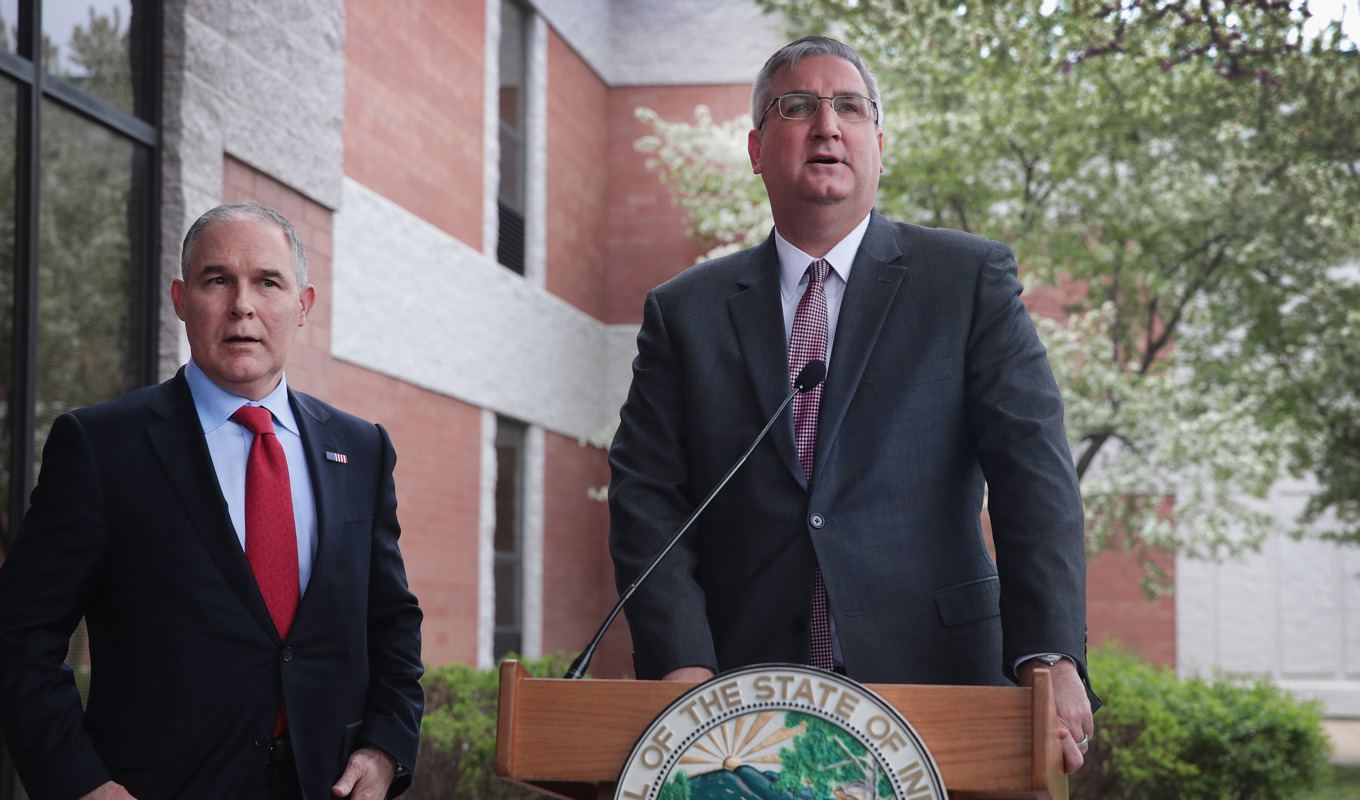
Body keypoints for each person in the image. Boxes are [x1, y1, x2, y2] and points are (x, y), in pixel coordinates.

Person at [608, 36, 1096, 773]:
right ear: (756, 148)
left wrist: (1049, 653)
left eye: (850, 107)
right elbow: (648, 495)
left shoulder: (966, 281)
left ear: (879, 145)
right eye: (797, 106)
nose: (827, 125)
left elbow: (1035, 474)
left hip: (940, 686)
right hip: (741, 710)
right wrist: (683, 664)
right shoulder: (685, 313)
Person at [0, 202, 424, 799]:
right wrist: (83, 784)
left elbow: (392, 621)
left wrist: (385, 747)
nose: (242, 305)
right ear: (180, 299)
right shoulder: (101, 446)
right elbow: (22, 634)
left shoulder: (362, 448)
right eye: (217, 280)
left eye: (268, 282)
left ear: (303, 305)